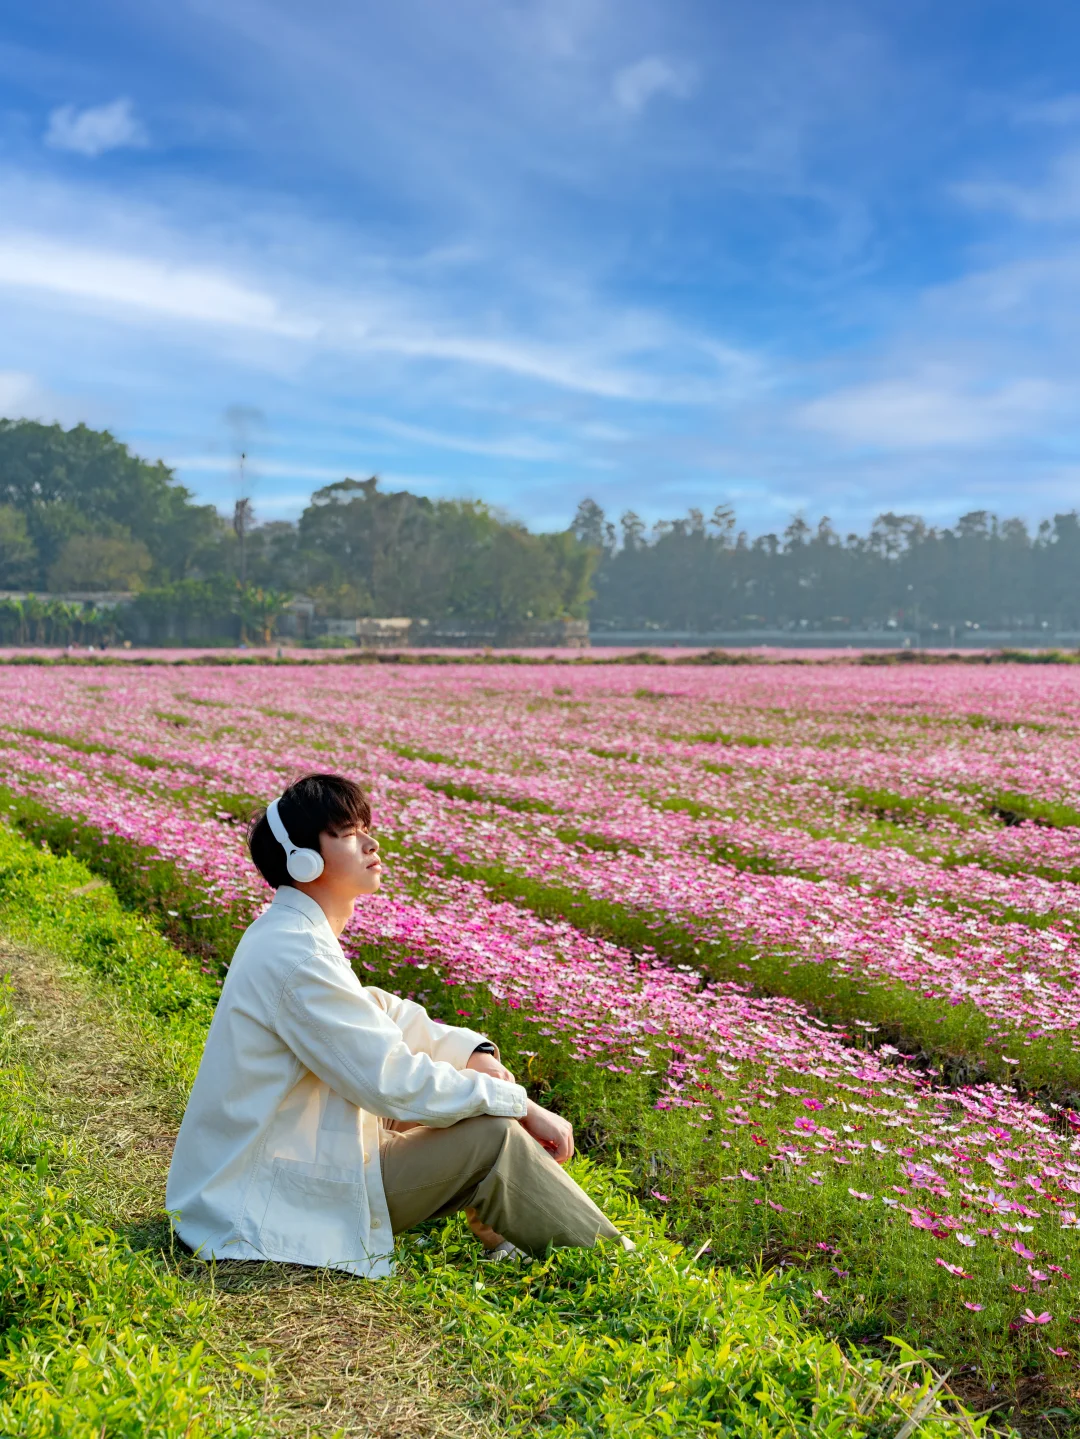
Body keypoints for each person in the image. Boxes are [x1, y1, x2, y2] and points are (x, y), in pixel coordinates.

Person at [166, 772, 628, 1277]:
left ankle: (505, 1231)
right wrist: (521, 1105)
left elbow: (377, 1011)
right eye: (347, 833)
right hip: (261, 1199)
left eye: (366, 826)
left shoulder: (291, 933)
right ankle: (617, 1268)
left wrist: (474, 1053)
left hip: (276, 1165)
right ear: (303, 860)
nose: (371, 842)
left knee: (464, 1101)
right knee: (491, 1133)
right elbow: (389, 1083)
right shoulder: (295, 952)